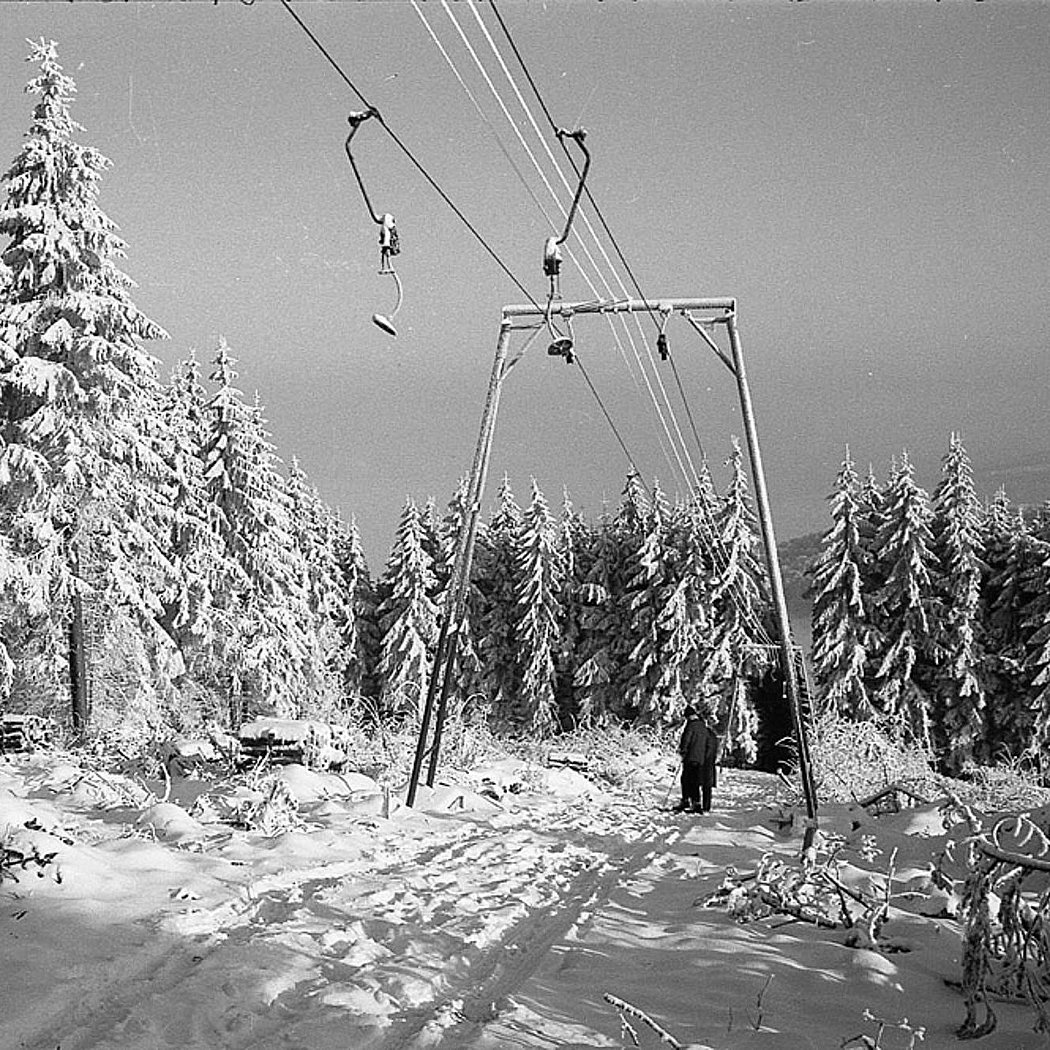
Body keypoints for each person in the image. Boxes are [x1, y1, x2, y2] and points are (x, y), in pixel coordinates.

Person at [674, 704, 718, 814]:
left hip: (690, 757)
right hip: (701, 759)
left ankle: (688, 801)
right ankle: (695, 802)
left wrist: (683, 750)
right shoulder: (704, 727)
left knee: (686, 779)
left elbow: (686, 739)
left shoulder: (691, 725)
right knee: (694, 780)